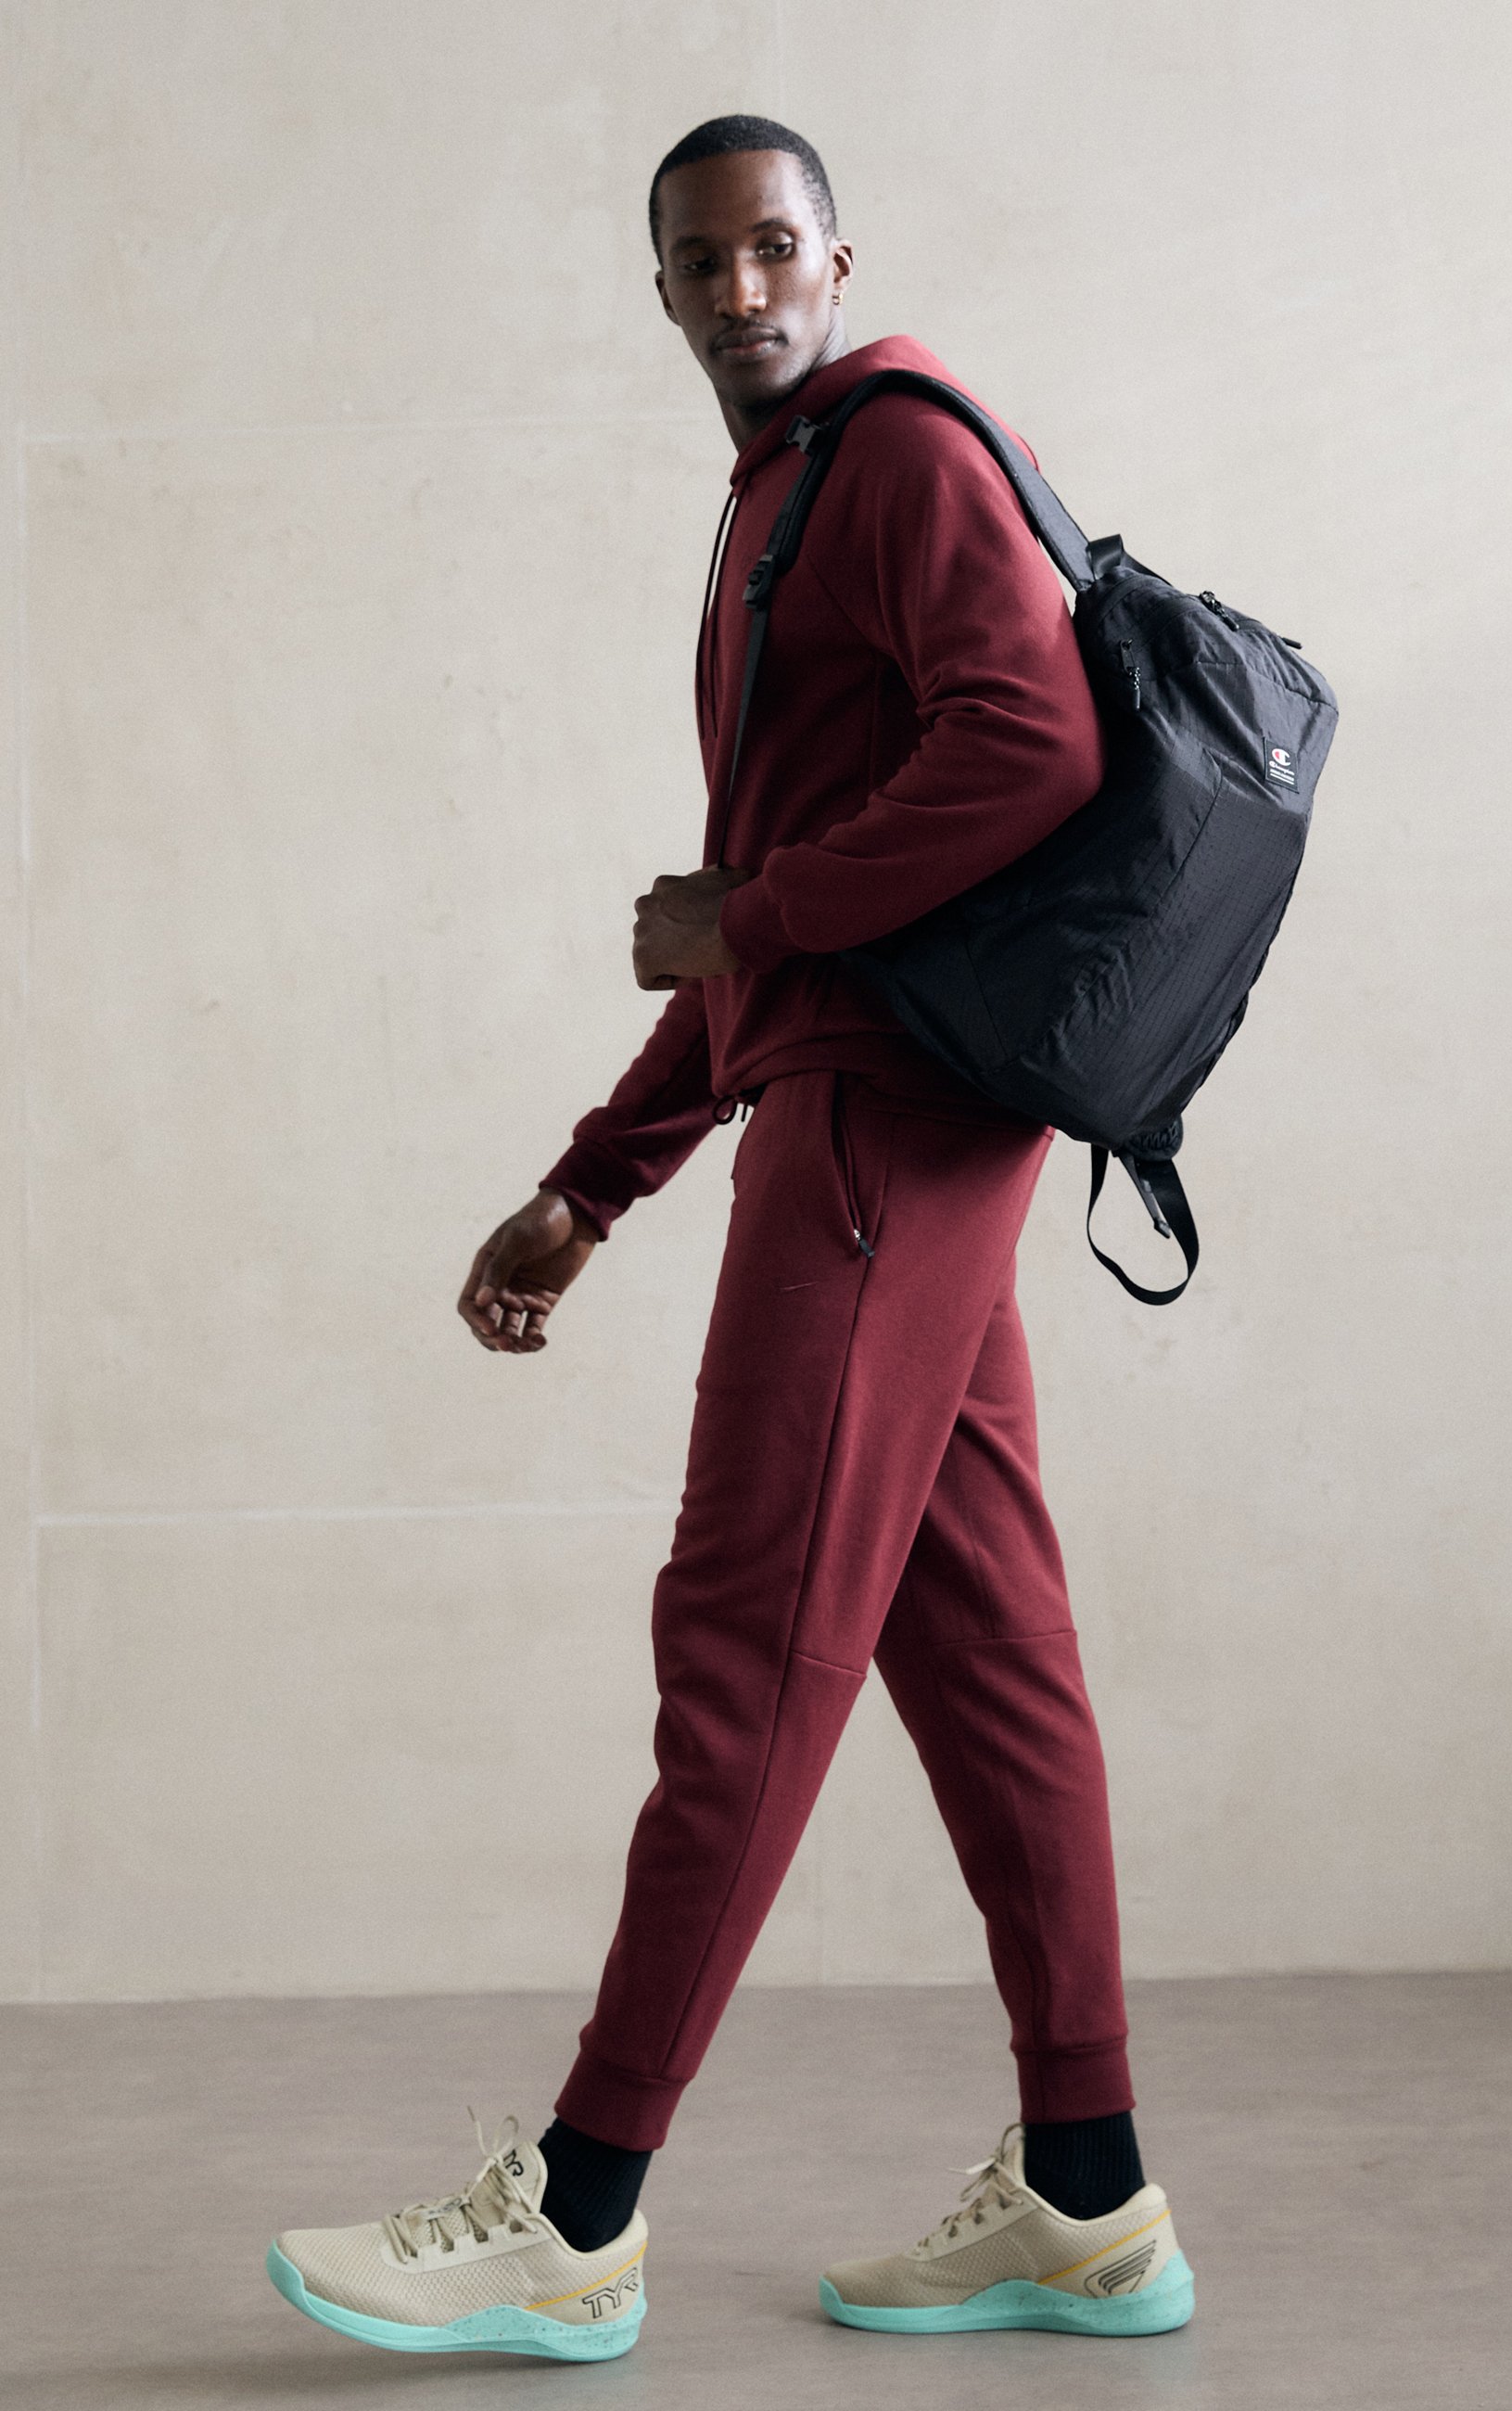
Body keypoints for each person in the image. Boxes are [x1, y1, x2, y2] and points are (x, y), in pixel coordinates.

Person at [266, 113, 1194, 2364]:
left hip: (889, 1126)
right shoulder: (781, 495)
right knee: (985, 1657)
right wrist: (597, 1174)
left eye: (777, 245)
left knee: (745, 1627)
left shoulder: (895, 454)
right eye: (702, 260)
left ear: (837, 258)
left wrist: (756, 916)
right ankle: (1087, 2198)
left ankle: (575, 2214)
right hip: (880, 1110)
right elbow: (770, 909)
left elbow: (1032, 745)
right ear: (664, 289)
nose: (743, 288)